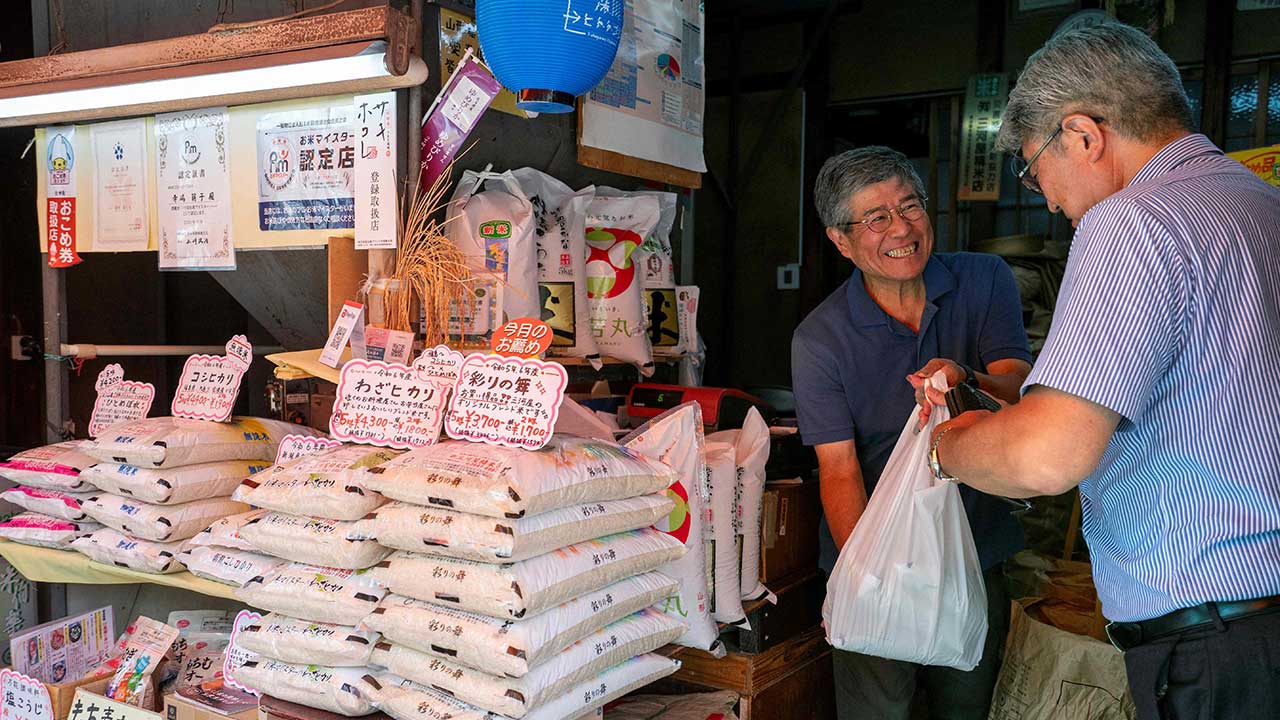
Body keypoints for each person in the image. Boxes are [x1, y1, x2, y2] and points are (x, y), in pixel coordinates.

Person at [927, 21, 1280, 719]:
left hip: (1215, 642)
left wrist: (943, 448)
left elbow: (1044, 456)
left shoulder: (1131, 222)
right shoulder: (1257, 202)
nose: (1049, 200)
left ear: (1084, 135)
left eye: (1035, 168)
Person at [791, 146, 1032, 720]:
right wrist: (870, 582)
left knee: (966, 706)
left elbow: (1018, 391)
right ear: (841, 241)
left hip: (973, 550)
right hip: (874, 559)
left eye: (910, 207)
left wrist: (963, 376)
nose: (902, 229)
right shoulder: (820, 340)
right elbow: (840, 469)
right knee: (879, 709)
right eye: (877, 218)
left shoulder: (983, 280)